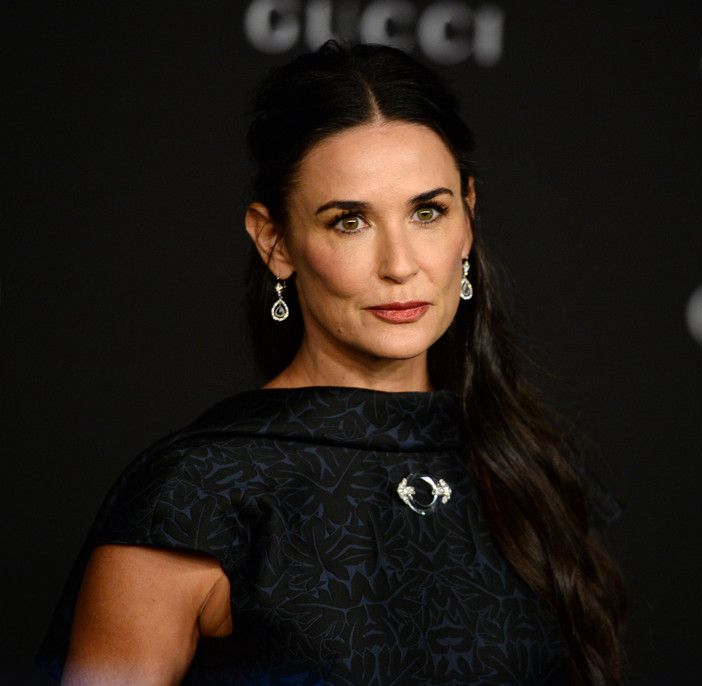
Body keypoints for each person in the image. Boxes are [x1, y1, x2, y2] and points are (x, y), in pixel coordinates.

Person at [36, 41, 626, 685]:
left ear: (468, 219)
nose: (400, 265)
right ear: (275, 241)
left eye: (427, 212)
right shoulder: (194, 498)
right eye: (350, 222)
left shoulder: (525, 469)